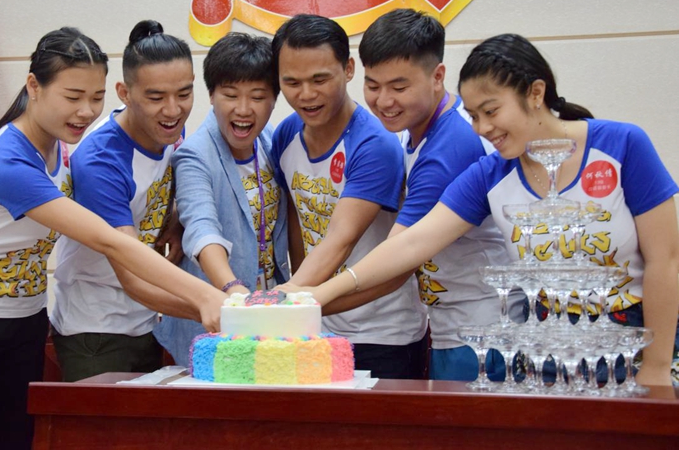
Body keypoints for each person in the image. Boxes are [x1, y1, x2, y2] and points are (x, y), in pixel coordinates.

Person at [280, 33, 679, 387]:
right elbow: (411, 243)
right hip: (546, 352)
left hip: (634, 340)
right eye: (472, 116)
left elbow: (666, 261)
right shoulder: (491, 174)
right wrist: (315, 295)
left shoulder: (622, 145)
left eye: (491, 111)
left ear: (535, 93)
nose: (482, 128)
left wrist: (657, 366)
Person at [0, 27, 227, 450]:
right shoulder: (9, 162)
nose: (86, 111)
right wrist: (206, 297)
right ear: (34, 86)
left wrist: (173, 218)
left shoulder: (62, 144)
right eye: (73, 96)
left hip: (26, 321)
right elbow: (111, 242)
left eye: (96, 98)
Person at [271, 14, 429, 379]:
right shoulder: (286, 134)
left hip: (384, 334)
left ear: (348, 69)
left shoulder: (374, 144)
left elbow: (340, 239)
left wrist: (292, 295)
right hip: (318, 326)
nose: (306, 94)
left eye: (319, 79)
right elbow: (296, 218)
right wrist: (302, 302)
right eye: (291, 82)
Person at [359, 8, 511, 382]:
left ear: (437, 76)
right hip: (449, 324)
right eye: (373, 85)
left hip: (482, 334)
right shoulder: (411, 130)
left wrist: (311, 301)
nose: (384, 101)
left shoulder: (451, 144)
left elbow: (398, 255)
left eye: (399, 87)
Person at [50, 20, 198, 381]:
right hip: (95, 332)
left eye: (184, 93)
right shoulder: (101, 161)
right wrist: (213, 307)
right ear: (124, 92)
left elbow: (156, 189)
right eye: (156, 98)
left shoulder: (168, 133)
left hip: (145, 322)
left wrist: (176, 220)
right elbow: (132, 276)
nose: (173, 110)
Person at [154, 32, 290, 366]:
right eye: (230, 95)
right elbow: (201, 227)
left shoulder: (271, 141)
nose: (243, 109)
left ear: (275, 99)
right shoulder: (195, 155)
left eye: (258, 96)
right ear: (212, 95)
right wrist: (232, 289)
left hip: (269, 317)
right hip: (215, 323)